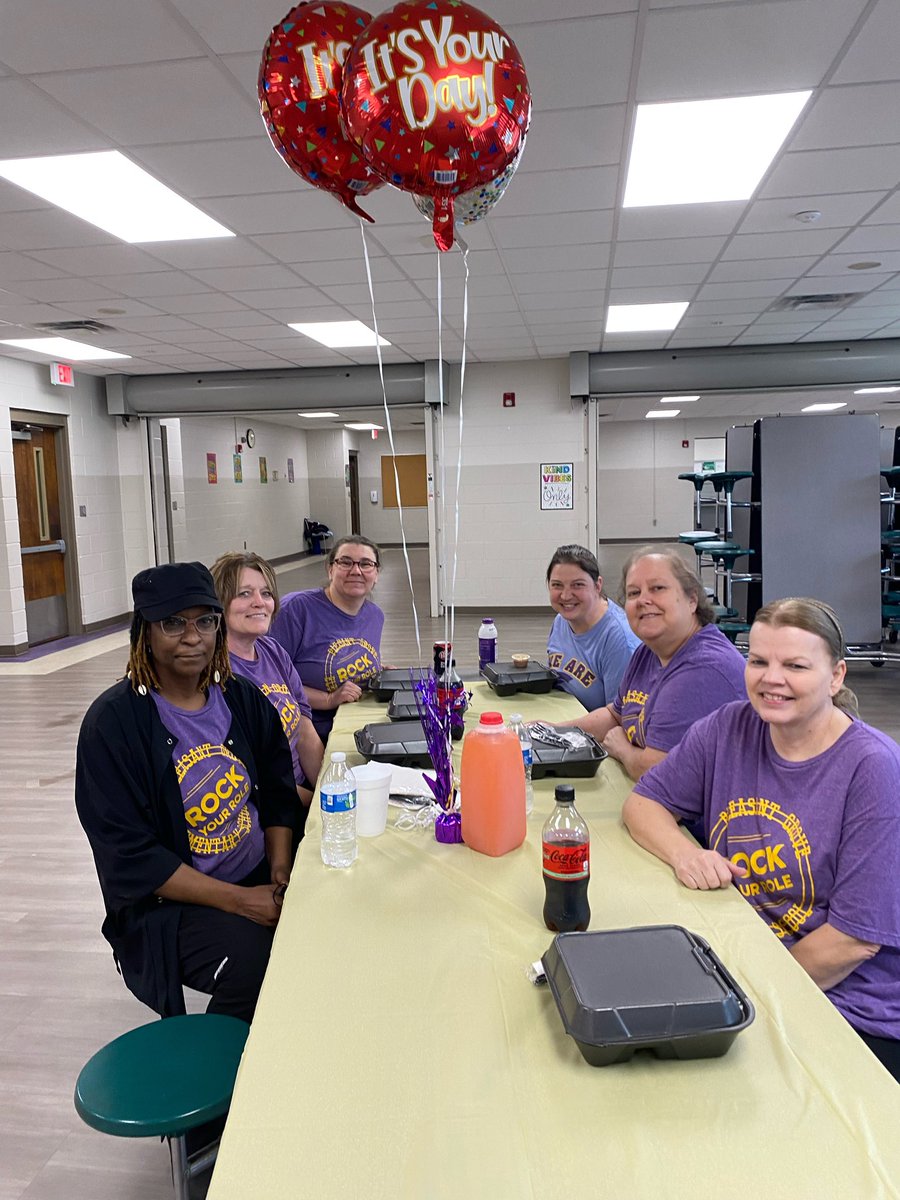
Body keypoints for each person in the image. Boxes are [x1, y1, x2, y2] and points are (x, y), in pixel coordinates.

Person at [622, 598, 900, 1081]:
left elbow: (853, 942)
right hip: (741, 959)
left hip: (845, 1005)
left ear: (836, 677)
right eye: (758, 661)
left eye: (795, 665)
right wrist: (685, 852)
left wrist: (740, 994)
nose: (772, 678)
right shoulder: (728, 727)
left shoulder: (873, 769)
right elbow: (642, 804)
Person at [75, 562, 300, 1023]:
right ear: (145, 632)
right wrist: (242, 902)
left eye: (205, 620)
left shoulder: (241, 698)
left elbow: (277, 791)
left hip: (258, 872)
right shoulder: (114, 725)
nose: (192, 635)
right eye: (172, 622)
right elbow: (132, 856)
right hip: (172, 905)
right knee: (253, 959)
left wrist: (279, 876)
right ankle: (223, 1077)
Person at [567, 546, 746, 781]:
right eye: (633, 593)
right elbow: (615, 715)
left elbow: (659, 772)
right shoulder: (649, 652)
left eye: (657, 588)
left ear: (692, 600)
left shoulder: (704, 669)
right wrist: (554, 729)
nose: (643, 600)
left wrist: (622, 748)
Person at [210, 550, 324, 814]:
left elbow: (304, 728)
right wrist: (317, 806)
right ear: (219, 602)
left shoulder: (271, 650)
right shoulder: (216, 672)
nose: (259, 602)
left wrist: (329, 788)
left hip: (301, 791)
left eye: (266, 593)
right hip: (265, 807)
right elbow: (256, 776)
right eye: (244, 593)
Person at [270, 535, 384, 742]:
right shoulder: (297, 609)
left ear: (376, 574)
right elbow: (269, 680)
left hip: (360, 725)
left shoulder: (374, 616)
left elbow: (348, 658)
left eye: (366, 564)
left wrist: (378, 672)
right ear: (330, 569)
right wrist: (328, 699)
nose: (356, 570)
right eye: (346, 562)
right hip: (310, 733)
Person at [545, 544, 640, 711]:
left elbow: (618, 718)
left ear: (598, 585)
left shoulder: (618, 639)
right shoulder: (561, 621)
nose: (566, 595)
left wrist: (555, 728)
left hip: (593, 733)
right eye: (557, 585)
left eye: (577, 585)